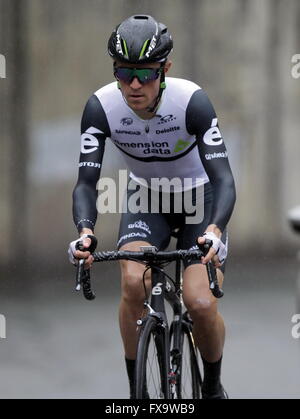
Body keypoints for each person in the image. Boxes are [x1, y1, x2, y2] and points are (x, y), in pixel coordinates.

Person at [68, 14, 236, 399]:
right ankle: (137, 392)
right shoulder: (101, 107)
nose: (134, 84)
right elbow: (86, 183)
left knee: (199, 301)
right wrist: (85, 231)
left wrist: (213, 231)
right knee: (132, 283)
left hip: (201, 198)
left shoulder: (191, 102)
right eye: (124, 72)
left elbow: (225, 179)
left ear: (166, 69)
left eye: (145, 73)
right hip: (148, 198)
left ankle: (211, 387)